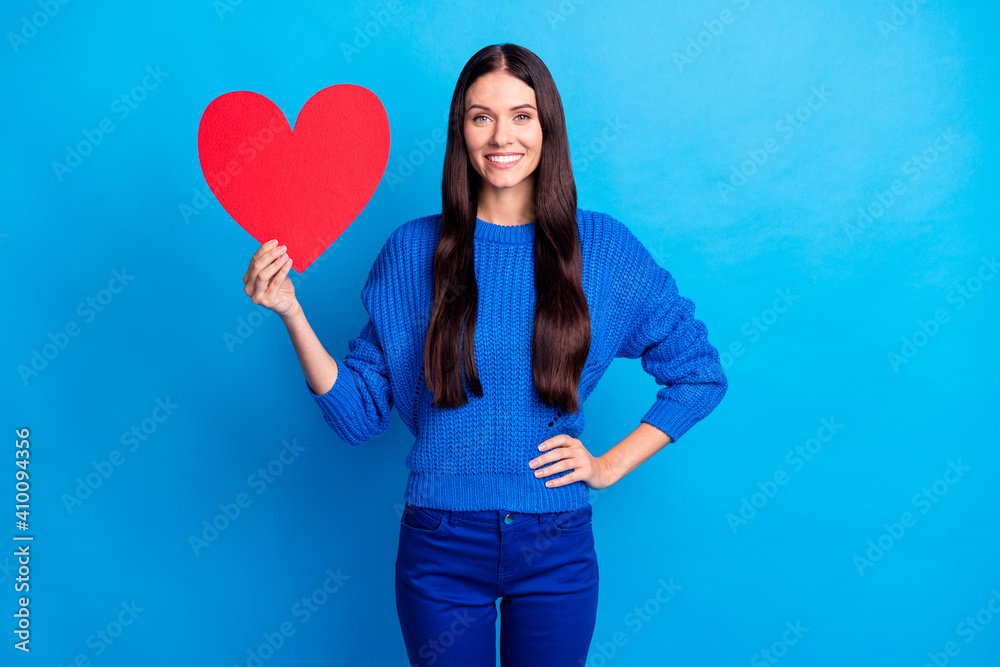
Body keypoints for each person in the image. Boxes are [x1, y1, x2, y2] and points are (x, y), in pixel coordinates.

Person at [243, 43, 727, 667]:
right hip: (440, 545)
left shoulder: (603, 249)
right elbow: (358, 418)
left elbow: (698, 374)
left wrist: (607, 466)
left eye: (522, 115)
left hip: (555, 545)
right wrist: (291, 311)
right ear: (461, 131)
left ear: (547, 128)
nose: (502, 136)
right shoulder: (412, 250)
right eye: (482, 117)